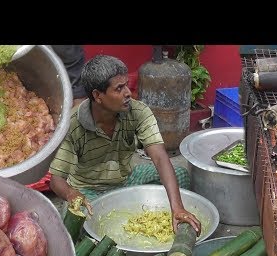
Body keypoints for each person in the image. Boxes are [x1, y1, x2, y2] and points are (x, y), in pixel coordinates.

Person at [49, 55, 201, 235]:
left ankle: (168, 220)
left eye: (126, 85)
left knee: (180, 175)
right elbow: (56, 181)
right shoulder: (72, 124)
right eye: (119, 88)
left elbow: (160, 158)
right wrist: (71, 194)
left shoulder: (138, 111)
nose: (128, 93)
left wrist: (178, 208)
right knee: (79, 217)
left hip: (127, 180)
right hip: (89, 190)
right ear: (98, 95)